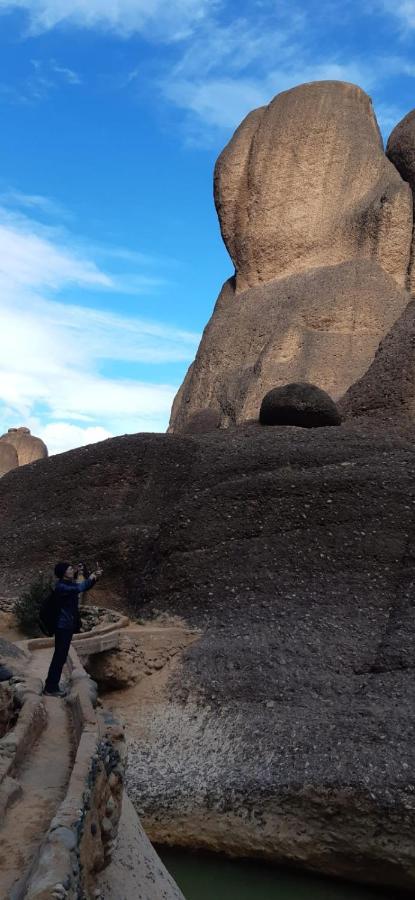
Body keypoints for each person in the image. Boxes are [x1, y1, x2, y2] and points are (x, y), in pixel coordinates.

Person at [44, 561, 103, 697]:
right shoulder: (62, 587)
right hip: (62, 626)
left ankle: (51, 685)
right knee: (59, 657)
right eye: (70, 569)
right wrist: (91, 577)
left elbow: (83, 587)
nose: (73, 570)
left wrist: (95, 578)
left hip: (67, 626)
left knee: (60, 656)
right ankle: (51, 687)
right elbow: (79, 588)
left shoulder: (67, 584)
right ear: (64, 573)